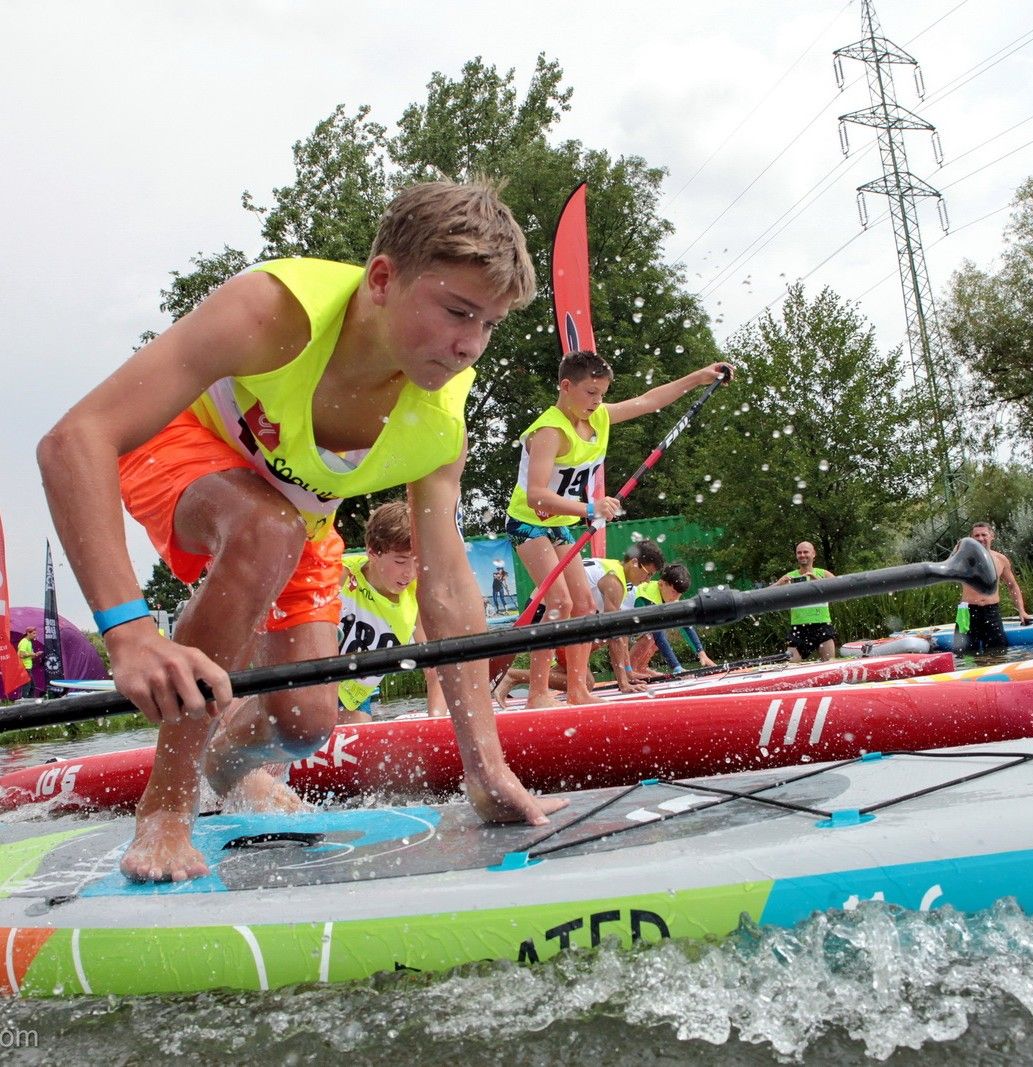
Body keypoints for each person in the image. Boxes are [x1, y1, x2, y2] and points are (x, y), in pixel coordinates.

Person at [37, 179, 566, 883]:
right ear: (382, 279)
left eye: (489, 324)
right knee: (264, 525)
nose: (469, 344)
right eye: (455, 311)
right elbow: (74, 439)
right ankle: (164, 810)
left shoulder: (439, 426)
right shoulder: (270, 313)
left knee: (306, 720)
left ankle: (229, 767)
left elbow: (446, 590)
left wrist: (486, 769)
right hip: (176, 446)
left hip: (297, 513)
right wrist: (130, 632)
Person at [505, 350, 733, 709]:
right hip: (528, 523)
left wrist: (697, 378)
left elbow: (648, 400)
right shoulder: (549, 431)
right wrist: (591, 508)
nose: (598, 402)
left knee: (582, 604)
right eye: (591, 393)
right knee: (560, 602)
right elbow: (537, 497)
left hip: (563, 525)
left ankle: (577, 690)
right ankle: (536, 695)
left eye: (602, 394)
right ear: (566, 387)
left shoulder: (600, 417)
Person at [492, 540, 665, 707]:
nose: (648, 580)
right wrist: (623, 683)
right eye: (648, 573)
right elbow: (616, 636)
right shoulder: (615, 581)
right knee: (587, 682)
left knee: (600, 638)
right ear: (634, 562)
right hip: (547, 613)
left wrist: (628, 672)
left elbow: (619, 635)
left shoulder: (612, 567)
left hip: (543, 608)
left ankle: (529, 677)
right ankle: (514, 676)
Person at [337, 501, 446, 723]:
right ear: (373, 553)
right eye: (400, 561)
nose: (410, 573)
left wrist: (435, 724)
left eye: (417, 562)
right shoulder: (340, 575)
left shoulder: (418, 595)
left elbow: (436, 671)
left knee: (360, 747)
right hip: (310, 686)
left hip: (354, 697)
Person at [954, 521, 1032, 653]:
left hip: (991, 611)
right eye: (976, 536)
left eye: (984, 535)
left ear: (991, 536)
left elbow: (1012, 585)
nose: (980, 538)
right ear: (971, 539)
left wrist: (1021, 610)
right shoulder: (963, 557)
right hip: (966, 612)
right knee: (963, 654)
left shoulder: (1000, 559)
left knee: (998, 652)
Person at [627, 563, 716, 676]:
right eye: (674, 592)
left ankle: (641, 667)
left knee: (659, 631)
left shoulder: (668, 594)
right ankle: (630, 670)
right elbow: (658, 636)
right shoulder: (647, 599)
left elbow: (686, 625)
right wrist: (676, 667)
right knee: (652, 635)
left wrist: (702, 654)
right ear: (661, 584)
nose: (676, 598)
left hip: (631, 622)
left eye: (679, 594)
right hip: (612, 619)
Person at [773, 541, 836, 662]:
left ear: (813, 554)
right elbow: (766, 593)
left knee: (829, 666)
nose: (802, 555)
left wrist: (818, 582)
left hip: (822, 626)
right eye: (799, 553)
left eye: (805, 552)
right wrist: (779, 585)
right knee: (790, 668)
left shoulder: (824, 574)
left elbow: (840, 589)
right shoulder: (790, 576)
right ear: (796, 556)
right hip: (798, 628)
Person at [16, 626, 40, 699]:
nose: (35, 635)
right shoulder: (24, 642)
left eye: (35, 633)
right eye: (33, 633)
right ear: (28, 633)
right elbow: (21, 654)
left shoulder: (29, 642)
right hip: (24, 667)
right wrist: (32, 654)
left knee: (32, 687)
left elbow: (29, 656)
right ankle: (23, 702)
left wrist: (35, 654)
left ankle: (29, 703)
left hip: (28, 667)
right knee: (27, 686)